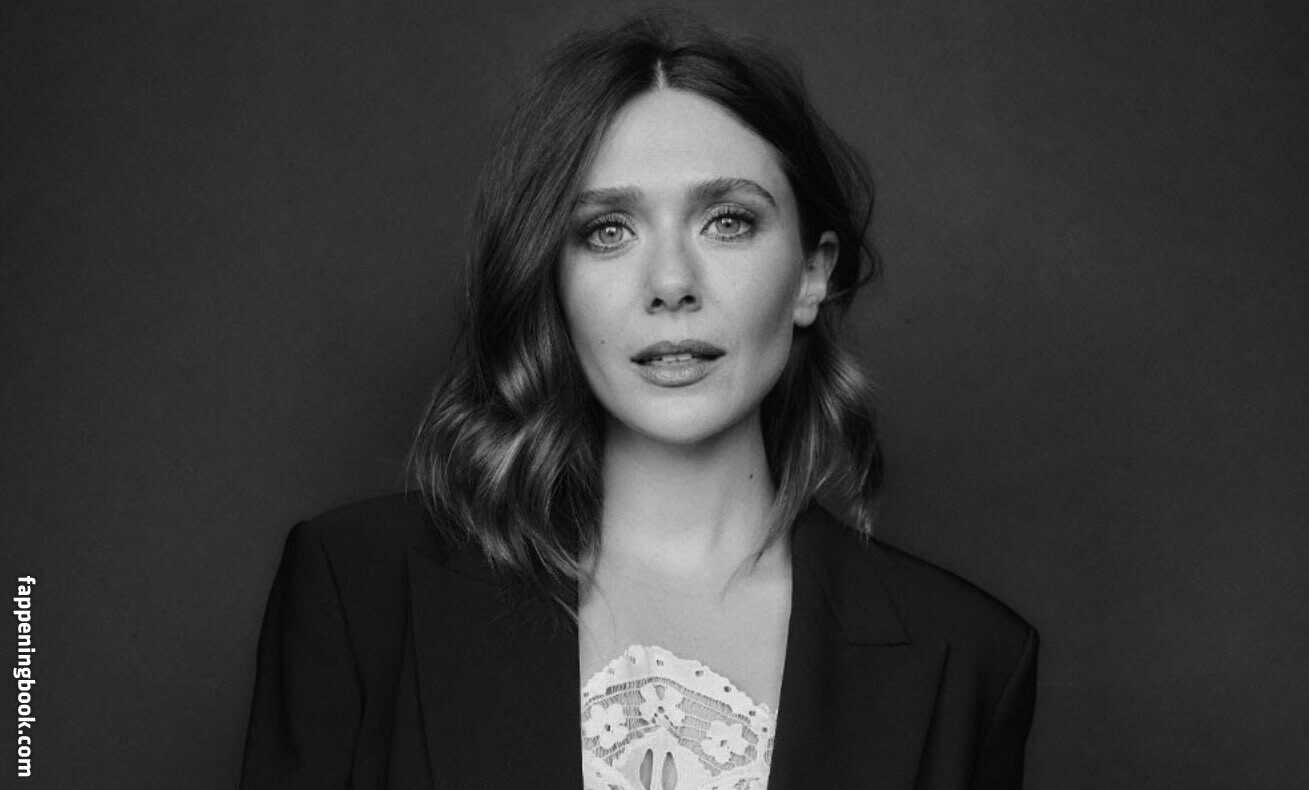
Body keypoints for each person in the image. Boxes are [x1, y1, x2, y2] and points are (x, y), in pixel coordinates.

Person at [240, 11, 1038, 790]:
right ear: (549, 277)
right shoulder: (359, 589)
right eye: (607, 231)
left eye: (727, 222)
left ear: (810, 273)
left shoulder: (966, 660)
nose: (670, 284)